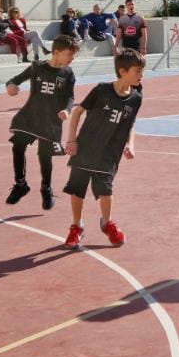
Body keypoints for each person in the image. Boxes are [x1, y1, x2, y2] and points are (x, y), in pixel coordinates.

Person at [61, 48, 146, 248]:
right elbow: (78, 112)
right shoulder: (102, 90)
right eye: (138, 71)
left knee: (106, 191)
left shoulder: (136, 98)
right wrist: (72, 140)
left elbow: (131, 123)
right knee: (77, 189)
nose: (141, 75)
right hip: (86, 148)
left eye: (142, 71)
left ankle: (107, 223)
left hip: (110, 153)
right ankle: (77, 226)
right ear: (123, 71)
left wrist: (130, 145)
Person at [5, 36, 79, 210]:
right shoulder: (36, 67)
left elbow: (70, 96)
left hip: (50, 121)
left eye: (74, 55)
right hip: (30, 117)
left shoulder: (67, 74)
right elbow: (15, 80)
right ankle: (20, 184)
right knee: (18, 145)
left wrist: (67, 110)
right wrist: (11, 86)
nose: (72, 58)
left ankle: (46, 188)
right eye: (69, 54)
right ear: (56, 53)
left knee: (44, 156)